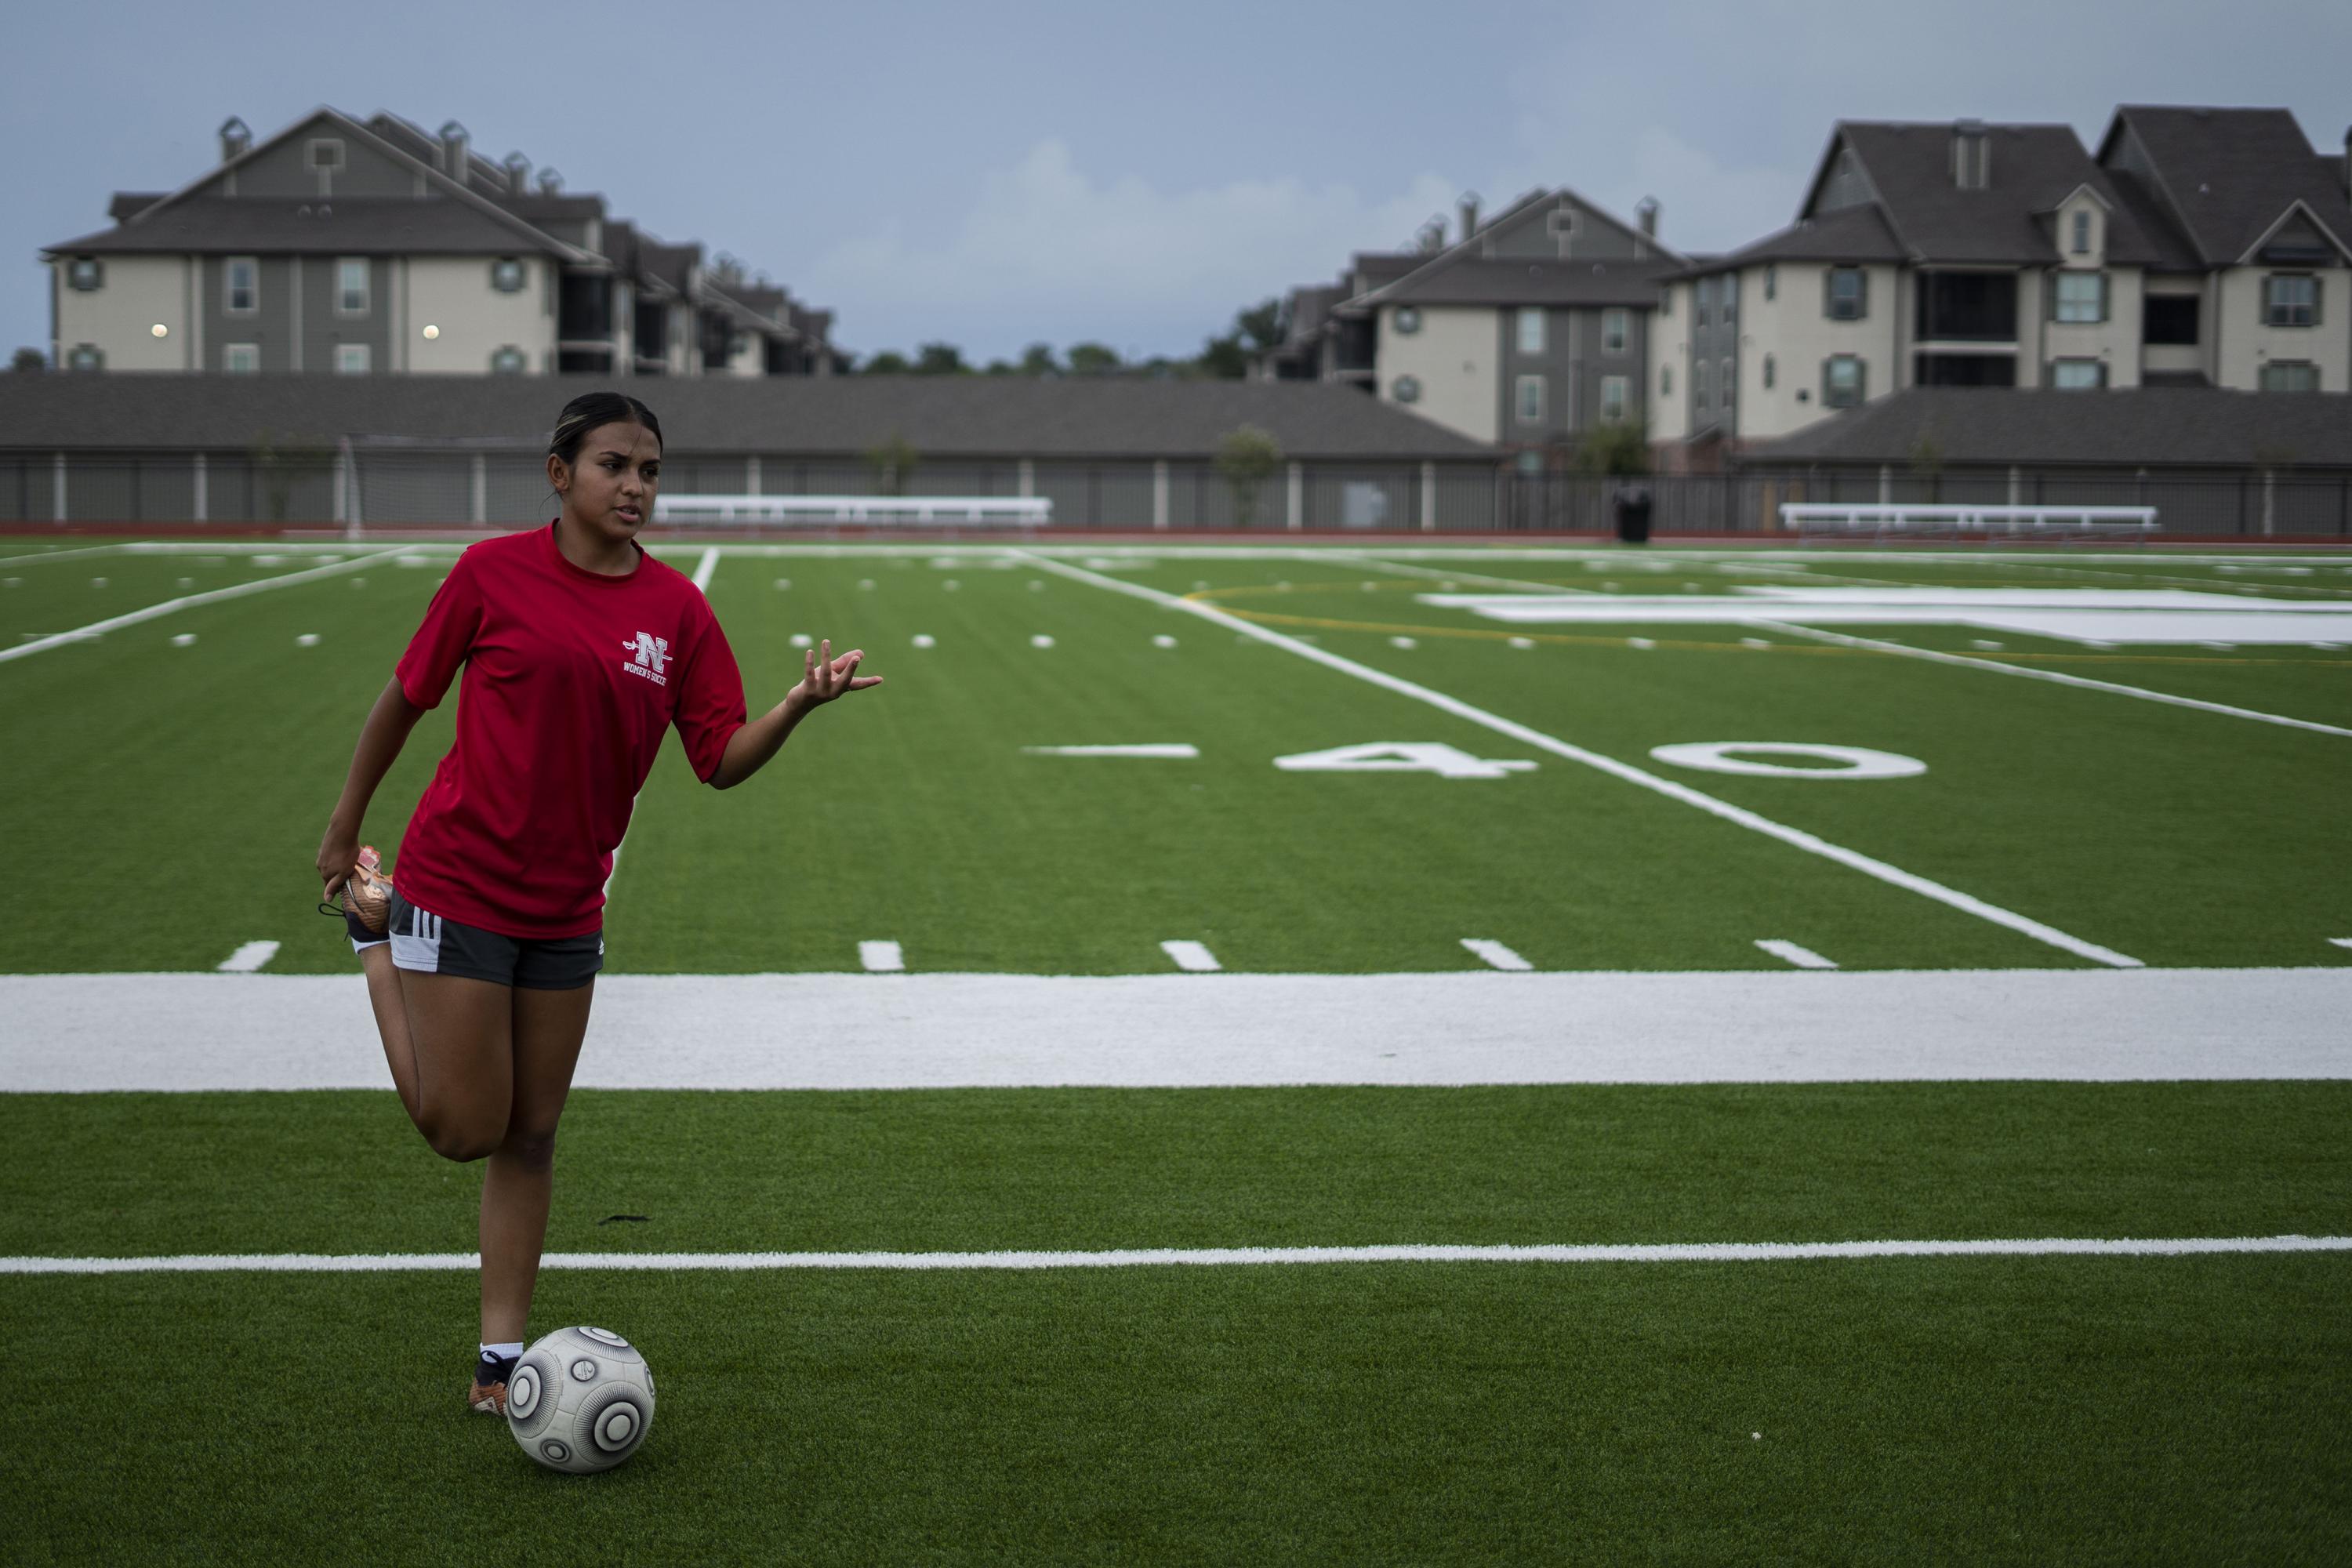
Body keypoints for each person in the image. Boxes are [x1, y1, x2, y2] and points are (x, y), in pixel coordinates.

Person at [314, 390, 880, 1414]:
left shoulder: (677, 612)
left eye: (651, 470)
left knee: (533, 1133)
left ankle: (498, 1362)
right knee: (462, 1130)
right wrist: (342, 819)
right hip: (458, 882)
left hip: (569, 908)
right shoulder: (491, 575)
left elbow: (719, 760)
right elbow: (406, 697)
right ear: (559, 473)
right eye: (615, 464)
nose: (636, 486)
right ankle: (373, 939)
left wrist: (796, 708)